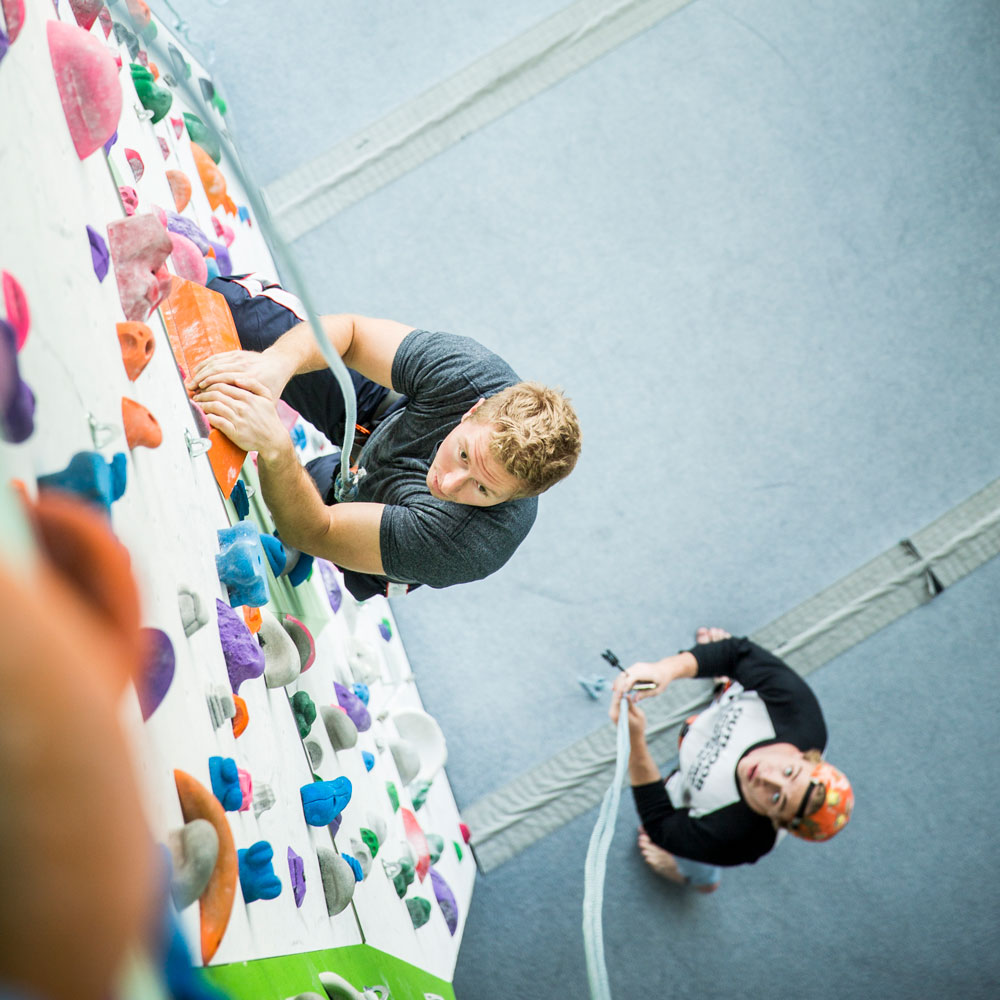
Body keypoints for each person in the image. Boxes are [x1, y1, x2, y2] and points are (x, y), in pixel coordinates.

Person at [187, 275, 581, 600]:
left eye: (482, 489)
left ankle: (316, 513)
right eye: (463, 456)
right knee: (246, 318)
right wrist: (274, 365)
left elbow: (315, 528)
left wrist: (275, 448)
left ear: (513, 499)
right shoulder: (469, 374)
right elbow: (353, 335)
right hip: (388, 421)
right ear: (472, 410)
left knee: (321, 491)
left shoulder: (467, 543)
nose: (449, 483)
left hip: (401, 516)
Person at [609, 626, 853, 893]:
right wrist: (665, 670)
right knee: (733, 666)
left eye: (776, 799)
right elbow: (736, 654)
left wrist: (634, 740)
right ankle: (724, 686)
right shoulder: (798, 711)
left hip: (688, 795)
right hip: (722, 722)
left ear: (775, 821)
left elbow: (660, 824)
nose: (764, 776)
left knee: (679, 845)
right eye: (789, 772)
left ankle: (702, 879)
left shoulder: (737, 839)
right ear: (807, 755)